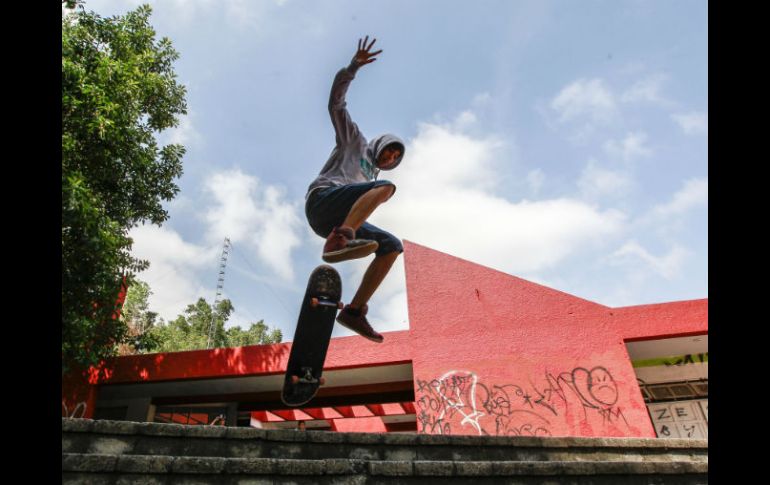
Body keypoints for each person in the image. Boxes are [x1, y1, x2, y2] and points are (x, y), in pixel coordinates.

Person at [305, 36, 405, 344]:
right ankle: (343, 237)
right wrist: (353, 67)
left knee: (391, 245)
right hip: (323, 201)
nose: (388, 158)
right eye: (388, 151)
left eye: (393, 159)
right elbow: (336, 104)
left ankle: (355, 311)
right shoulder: (355, 141)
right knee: (385, 188)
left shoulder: (371, 176)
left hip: (334, 221)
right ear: (379, 144)